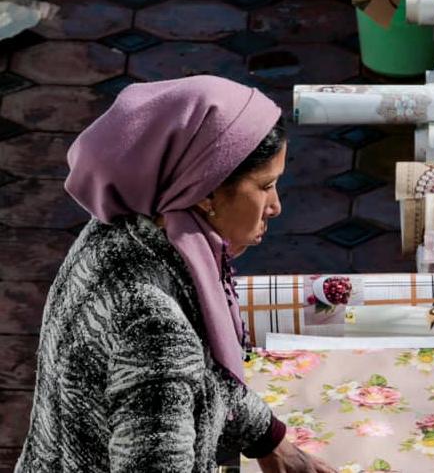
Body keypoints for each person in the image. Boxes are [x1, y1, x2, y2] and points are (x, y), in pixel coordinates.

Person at [15, 76, 336, 473]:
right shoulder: (156, 327)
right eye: (265, 186)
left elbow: (203, 374)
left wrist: (269, 440)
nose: (275, 207)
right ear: (205, 190)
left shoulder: (113, 233)